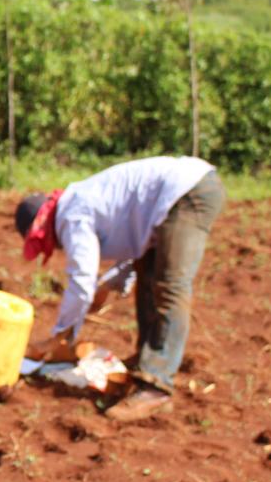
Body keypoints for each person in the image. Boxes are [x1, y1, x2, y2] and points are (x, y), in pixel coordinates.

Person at [15, 155, 226, 422]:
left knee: (170, 285)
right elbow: (130, 253)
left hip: (186, 193)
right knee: (149, 280)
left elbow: (82, 281)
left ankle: (155, 387)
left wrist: (62, 336)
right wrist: (105, 286)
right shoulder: (81, 203)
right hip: (179, 194)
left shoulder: (72, 214)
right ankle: (145, 366)